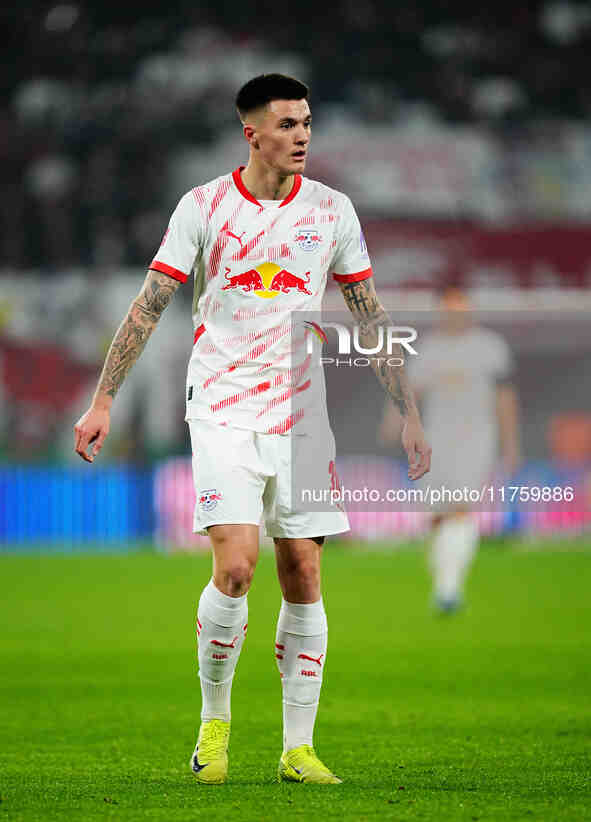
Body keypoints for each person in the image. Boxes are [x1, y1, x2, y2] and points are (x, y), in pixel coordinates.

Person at [74, 74, 431, 785]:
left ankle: (297, 749)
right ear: (252, 133)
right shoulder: (203, 206)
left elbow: (367, 312)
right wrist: (103, 399)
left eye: (307, 123)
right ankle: (214, 723)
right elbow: (149, 304)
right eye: (288, 124)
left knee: (303, 571)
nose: (302, 135)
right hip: (222, 408)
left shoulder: (332, 211)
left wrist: (410, 410)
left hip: (303, 416)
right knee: (235, 566)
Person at [380, 287, 520, 613]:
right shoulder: (430, 350)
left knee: (462, 508)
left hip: (477, 438)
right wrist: (393, 423)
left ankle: (448, 590)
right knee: (439, 515)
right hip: (436, 439)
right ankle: (444, 579)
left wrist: (511, 444)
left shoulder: (489, 348)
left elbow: (504, 398)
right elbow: (409, 391)